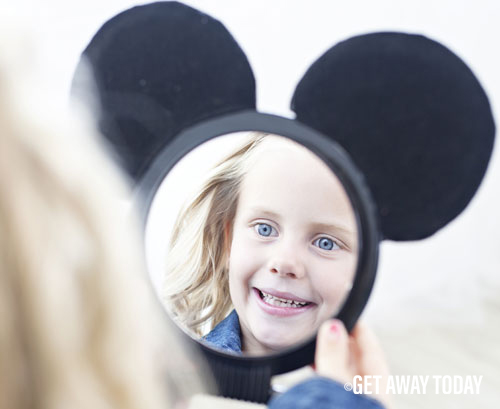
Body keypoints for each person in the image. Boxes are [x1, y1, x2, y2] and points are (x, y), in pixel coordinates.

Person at [163, 133, 358, 355]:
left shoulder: (368, 383)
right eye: (264, 229)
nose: (284, 263)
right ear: (229, 242)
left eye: (326, 243)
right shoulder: (179, 381)